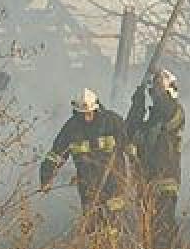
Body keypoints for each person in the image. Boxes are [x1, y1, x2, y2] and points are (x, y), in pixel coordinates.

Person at [40, 87, 129, 236]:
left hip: (113, 179)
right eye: (83, 114)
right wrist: (46, 177)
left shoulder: (113, 121)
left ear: (96, 108)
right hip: (88, 182)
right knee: (93, 223)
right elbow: (56, 154)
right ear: (76, 112)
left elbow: (130, 146)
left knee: (114, 220)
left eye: (89, 113)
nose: (87, 117)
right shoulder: (71, 129)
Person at [127, 69, 185, 249]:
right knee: (150, 225)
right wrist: (138, 103)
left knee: (163, 221)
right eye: (153, 91)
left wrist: (160, 82)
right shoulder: (152, 120)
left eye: (158, 90)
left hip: (165, 176)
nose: (154, 95)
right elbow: (131, 131)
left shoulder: (175, 111)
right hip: (146, 179)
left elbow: (165, 107)